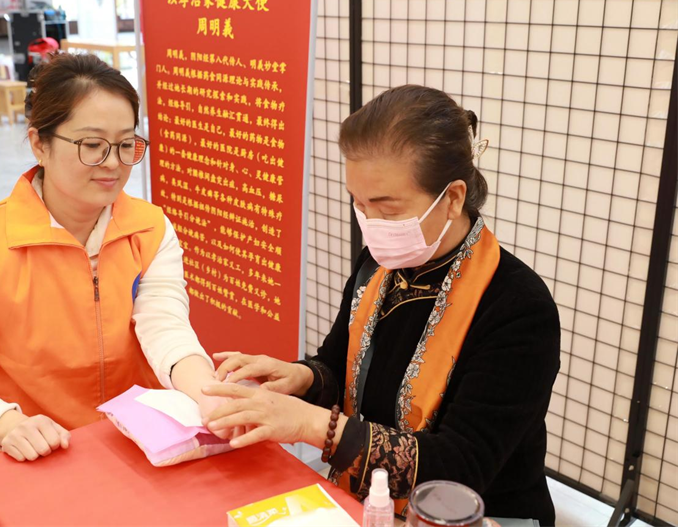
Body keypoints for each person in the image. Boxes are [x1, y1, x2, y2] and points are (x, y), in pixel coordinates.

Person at [203, 85, 561, 526]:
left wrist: (313, 425)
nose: (371, 224)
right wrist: (301, 377)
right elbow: (339, 364)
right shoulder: (378, 263)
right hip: (371, 499)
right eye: (359, 204)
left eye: (388, 210)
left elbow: (459, 467)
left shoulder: (519, 307)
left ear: (452, 198)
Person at [0, 53, 225, 463]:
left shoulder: (150, 229)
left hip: (135, 445)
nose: (113, 164)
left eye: (125, 144)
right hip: (34, 451)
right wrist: (6, 424)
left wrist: (208, 394)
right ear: (40, 144)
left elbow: (165, 327)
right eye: (92, 145)